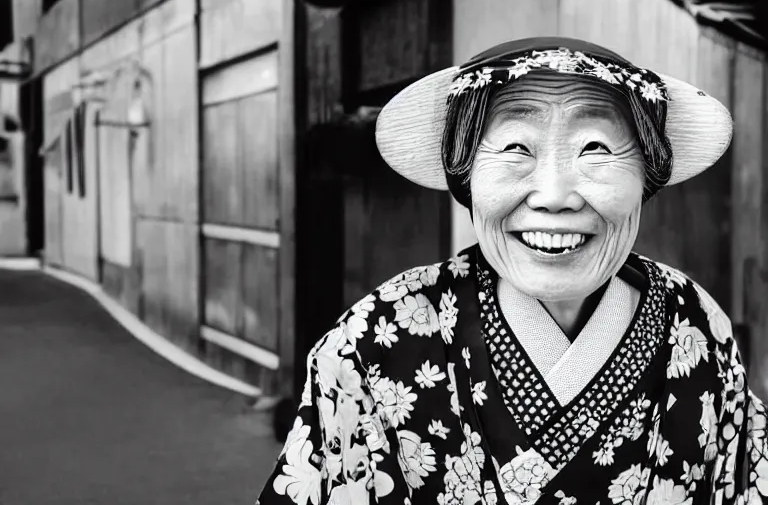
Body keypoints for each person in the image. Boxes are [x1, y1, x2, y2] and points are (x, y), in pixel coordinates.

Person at [256, 37, 767, 505]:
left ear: (647, 175)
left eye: (596, 149)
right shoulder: (372, 344)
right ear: (467, 174)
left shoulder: (698, 326)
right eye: (515, 149)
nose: (554, 196)